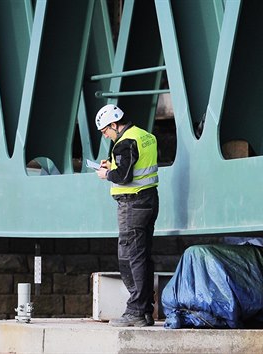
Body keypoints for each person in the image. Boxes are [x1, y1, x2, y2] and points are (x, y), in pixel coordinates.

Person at [94, 104, 159, 327]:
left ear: (114, 124)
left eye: (105, 132)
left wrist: (106, 174)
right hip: (148, 200)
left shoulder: (124, 142)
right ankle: (145, 311)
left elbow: (123, 176)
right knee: (142, 255)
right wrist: (112, 163)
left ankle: (136, 311)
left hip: (132, 204)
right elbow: (136, 164)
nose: (106, 136)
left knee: (130, 256)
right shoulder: (145, 136)